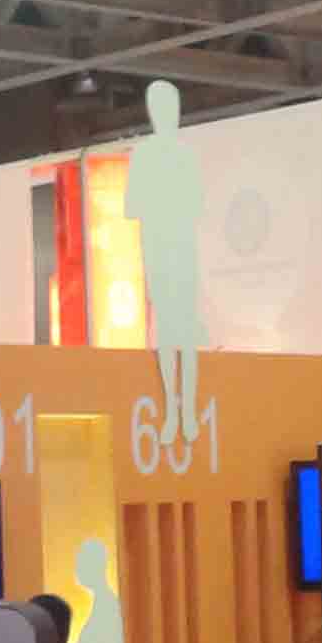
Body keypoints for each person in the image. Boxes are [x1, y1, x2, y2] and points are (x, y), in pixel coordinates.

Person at [126, 80, 205, 445]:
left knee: (184, 335)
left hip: (181, 251)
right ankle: (172, 411)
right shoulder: (143, 156)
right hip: (158, 251)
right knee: (166, 333)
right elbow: (133, 206)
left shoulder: (186, 156)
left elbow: (196, 205)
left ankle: (187, 412)